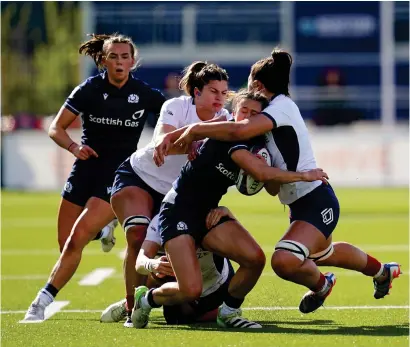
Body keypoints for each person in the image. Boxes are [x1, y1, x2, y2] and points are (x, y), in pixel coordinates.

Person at [164, 49, 402, 314]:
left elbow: (237, 129)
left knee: (284, 260)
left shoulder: (281, 107)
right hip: (298, 203)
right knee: (324, 254)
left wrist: (194, 129)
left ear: (257, 84)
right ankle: (383, 271)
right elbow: (269, 181)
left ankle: (322, 285)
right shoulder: (266, 114)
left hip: (315, 197)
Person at [131, 90, 328, 329]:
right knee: (190, 289)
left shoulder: (256, 143)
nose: (248, 116)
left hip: (208, 214)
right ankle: (146, 299)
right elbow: (261, 173)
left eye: (255, 114)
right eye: (244, 110)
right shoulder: (227, 133)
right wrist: (304, 175)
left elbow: (271, 187)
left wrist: (228, 208)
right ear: (234, 111)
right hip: (178, 211)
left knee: (255, 260)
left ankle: (229, 312)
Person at [23, 33, 166, 322]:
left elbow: (175, 117)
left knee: (77, 239)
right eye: (113, 56)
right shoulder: (89, 89)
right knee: (65, 244)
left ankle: (41, 301)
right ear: (103, 60)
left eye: (125, 56)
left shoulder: (145, 93)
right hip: (85, 169)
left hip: (118, 176)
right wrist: (74, 146)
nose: (120, 62)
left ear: (133, 61)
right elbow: (56, 128)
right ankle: (103, 229)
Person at [104, 61, 232, 327]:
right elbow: (163, 143)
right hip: (140, 176)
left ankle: (144, 297)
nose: (220, 98)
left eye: (224, 92)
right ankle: (131, 307)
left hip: (175, 192)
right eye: (213, 91)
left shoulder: (226, 120)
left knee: (168, 258)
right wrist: (194, 141)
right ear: (196, 93)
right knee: (138, 234)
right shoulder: (175, 107)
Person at [101, 211, 235, 325]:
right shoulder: (162, 219)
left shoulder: (208, 213)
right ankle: (133, 302)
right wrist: (153, 265)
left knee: (185, 316)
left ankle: (145, 300)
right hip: (184, 283)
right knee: (174, 313)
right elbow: (140, 263)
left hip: (216, 283)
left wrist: (228, 214)